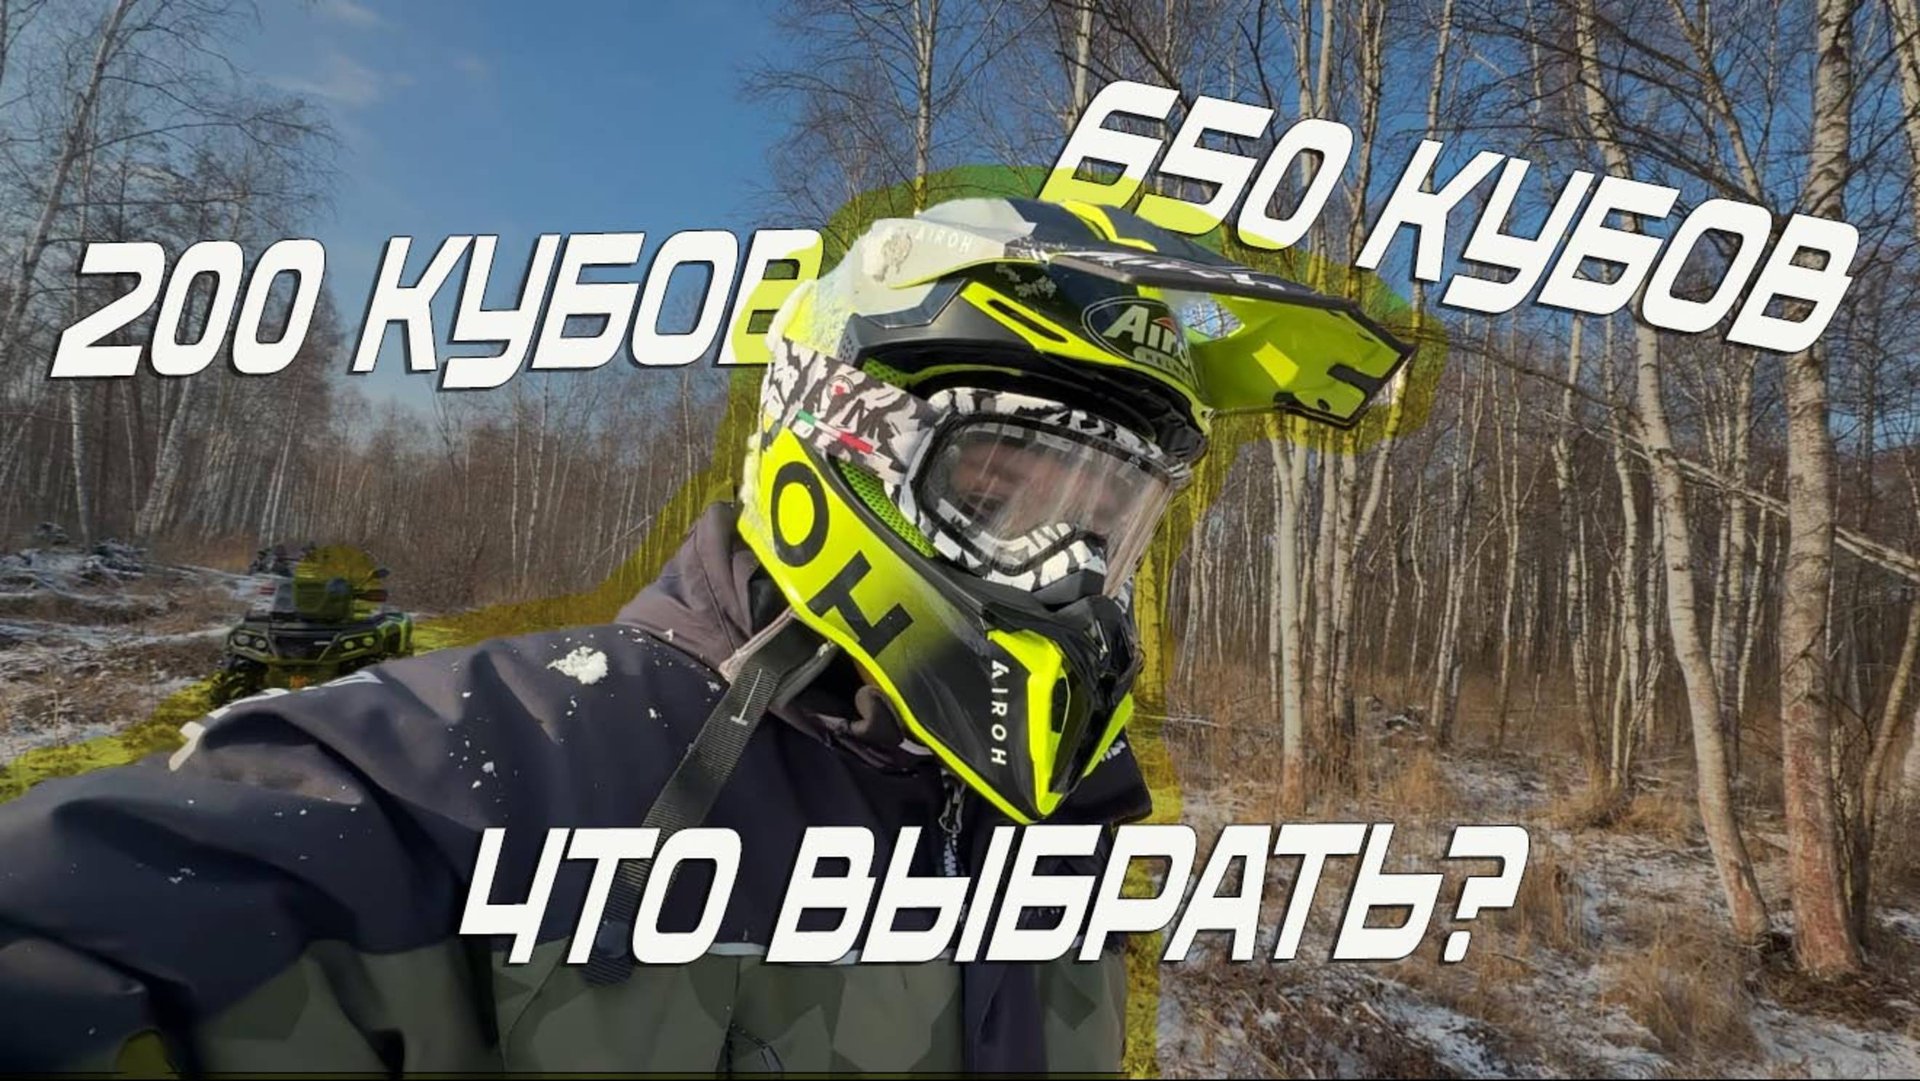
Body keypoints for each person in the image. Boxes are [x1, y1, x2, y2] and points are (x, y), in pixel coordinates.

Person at [0, 196, 1408, 1073]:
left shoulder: (1051, 831)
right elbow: (133, 910)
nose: (1069, 568)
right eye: (1002, 491)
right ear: (843, 445)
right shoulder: (533, 758)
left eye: (1105, 522)